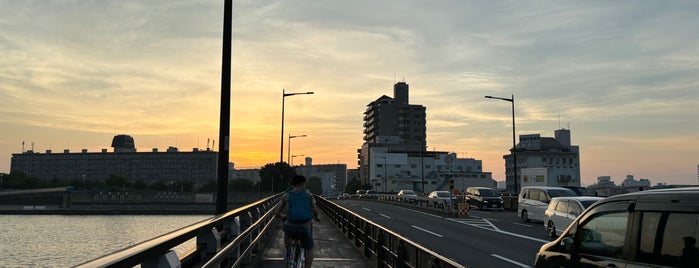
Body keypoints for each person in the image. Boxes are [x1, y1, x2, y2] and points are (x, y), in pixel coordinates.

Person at [275, 175, 320, 267]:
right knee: (309, 249)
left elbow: (277, 213)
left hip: (291, 227)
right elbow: (315, 210)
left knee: (286, 231)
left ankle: (288, 252)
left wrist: (283, 216)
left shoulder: (286, 196)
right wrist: (317, 217)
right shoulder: (309, 195)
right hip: (304, 227)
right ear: (302, 183)